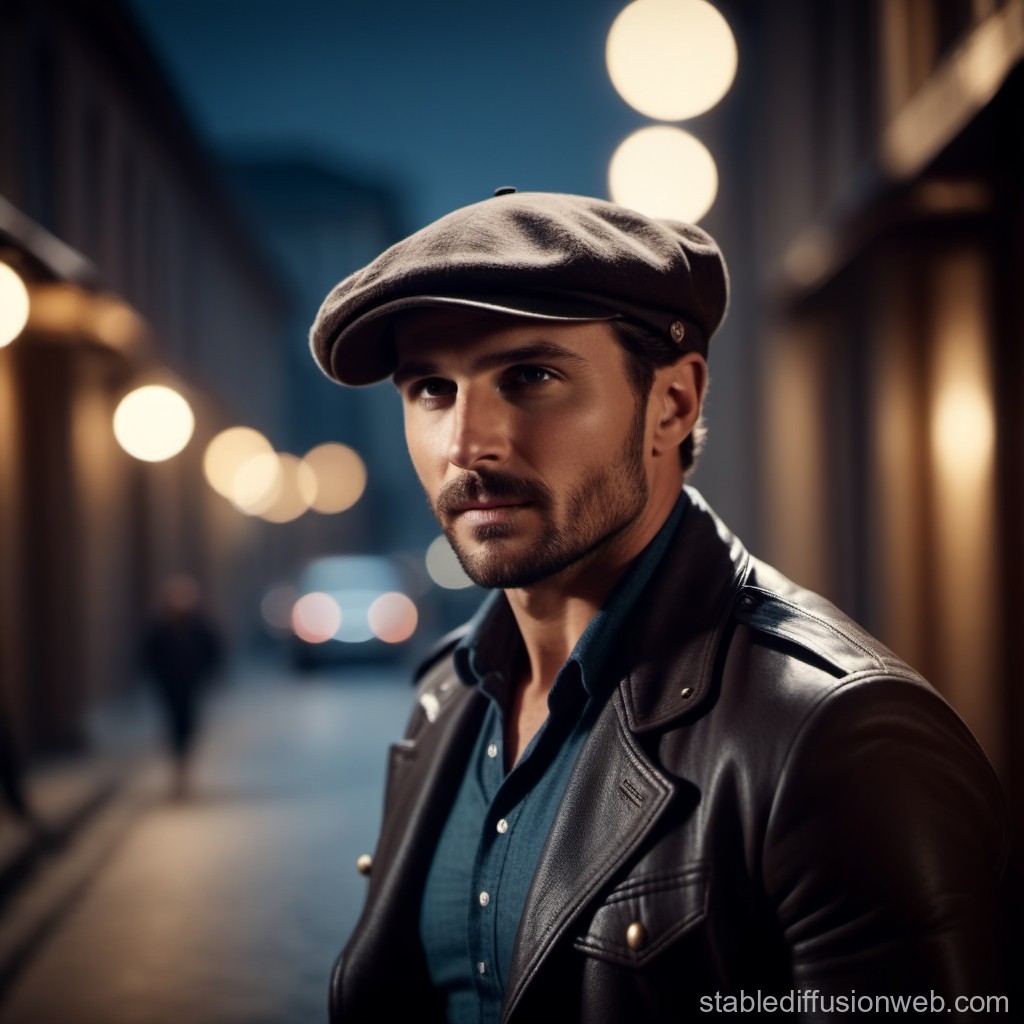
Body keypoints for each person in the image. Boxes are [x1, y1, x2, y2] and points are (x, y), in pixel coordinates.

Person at [309, 191, 1007, 1022]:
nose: (467, 444)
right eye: (431, 389)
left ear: (672, 404)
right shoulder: (448, 694)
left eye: (529, 376)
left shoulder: (832, 737)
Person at [142, 574, 222, 797]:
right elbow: (149, 656)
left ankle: (184, 767)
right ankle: (177, 769)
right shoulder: (160, 630)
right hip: (169, 687)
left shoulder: (199, 628)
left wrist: (206, 676)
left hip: (191, 686)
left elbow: (212, 652)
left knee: (189, 725)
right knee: (173, 725)